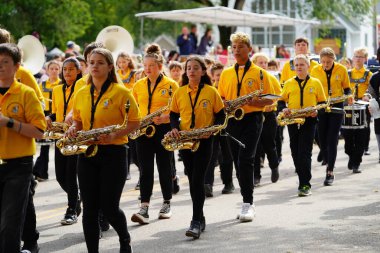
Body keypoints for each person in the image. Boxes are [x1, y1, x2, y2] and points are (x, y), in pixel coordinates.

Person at [67, 48, 140, 253]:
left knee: (109, 207)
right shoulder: (81, 92)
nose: (95, 66)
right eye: (91, 62)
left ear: (110, 67)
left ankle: (124, 239)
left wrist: (114, 135)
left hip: (114, 154)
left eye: (100, 62)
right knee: (89, 209)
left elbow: (135, 122)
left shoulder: (121, 92)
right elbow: (79, 121)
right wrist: (73, 129)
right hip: (88, 153)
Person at [166, 56, 225, 239]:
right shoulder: (180, 91)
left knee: (198, 179)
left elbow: (221, 116)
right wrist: (174, 128)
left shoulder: (211, 91)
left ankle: (195, 221)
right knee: (192, 179)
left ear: (202, 71)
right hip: (185, 141)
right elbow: (174, 115)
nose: (191, 70)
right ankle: (200, 215)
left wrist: (212, 131)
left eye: (195, 68)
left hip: (205, 140)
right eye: (189, 68)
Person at [218, 32, 274, 222]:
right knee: (237, 162)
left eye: (240, 46)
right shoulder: (226, 73)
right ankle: (246, 200)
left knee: (246, 159)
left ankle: (248, 203)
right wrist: (224, 104)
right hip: (233, 120)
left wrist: (256, 101)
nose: (236, 50)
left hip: (252, 119)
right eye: (233, 47)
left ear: (249, 49)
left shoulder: (260, 73)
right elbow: (222, 97)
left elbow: (271, 99)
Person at [0, 43, 46, 253]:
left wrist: (8, 122)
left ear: (17, 66)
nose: (0, 67)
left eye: (5, 62)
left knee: (10, 225)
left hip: (18, 165)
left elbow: (39, 131)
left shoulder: (26, 93)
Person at [131, 44, 178, 225]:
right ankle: (144, 206)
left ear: (160, 66)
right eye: (145, 66)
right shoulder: (138, 85)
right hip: (144, 130)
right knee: (145, 170)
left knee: (164, 167)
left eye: (151, 66)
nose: (147, 69)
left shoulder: (172, 85)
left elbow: (178, 110)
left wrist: (166, 117)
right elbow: (132, 108)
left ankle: (166, 202)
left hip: (163, 129)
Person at [278, 54, 327, 196]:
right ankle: (302, 178)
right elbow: (281, 101)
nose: (299, 67)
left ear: (308, 67)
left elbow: (323, 104)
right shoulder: (288, 83)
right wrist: (283, 108)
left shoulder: (316, 82)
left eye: (302, 64)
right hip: (292, 120)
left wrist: (316, 112)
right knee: (295, 152)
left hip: (309, 121)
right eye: (297, 65)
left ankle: (305, 184)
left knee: (305, 153)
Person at [48, 58, 83, 225]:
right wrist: (48, 117)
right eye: (65, 69)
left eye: (71, 69)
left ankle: (71, 209)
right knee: (60, 175)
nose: (67, 72)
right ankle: (76, 198)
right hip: (60, 136)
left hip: (75, 135)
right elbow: (55, 113)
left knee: (70, 174)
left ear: (78, 71)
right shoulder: (56, 90)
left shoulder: (83, 87)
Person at [310, 47, 352, 185]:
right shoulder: (315, 70)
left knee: (332, 138)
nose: (326, 64)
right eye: (323, 61)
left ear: (334, 59)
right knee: (321, 137)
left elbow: (347, 88)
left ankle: (330, 171)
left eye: (328, 61)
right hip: (321, 105)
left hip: (337, 104)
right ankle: (324, 151)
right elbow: (313, 88)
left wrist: (349, 96)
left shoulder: (341, 69)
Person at [204, 62, 235, 197]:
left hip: (227, 125)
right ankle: (207, 184)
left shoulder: (229, 88)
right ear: (212, 76)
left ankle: (228, 183)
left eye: (222, 75)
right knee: (210, 156)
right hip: (212, 125)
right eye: (217, 75)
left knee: (227, 156)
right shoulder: (210, 90)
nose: (220, 77)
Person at [251, 53, 281, 186]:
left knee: (269, 144)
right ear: (254, 63)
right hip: (254, 115)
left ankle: (274, 166)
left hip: (269, 115)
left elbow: (277, 96)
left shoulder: (272, 78)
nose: (263, 65)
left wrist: (269, 104)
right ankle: (256, 176)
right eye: (260, 62)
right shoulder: (251, 78)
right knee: (255, 147)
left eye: (265, 62)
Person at [343, 47, 372, 172]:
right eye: (355, 56)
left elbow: (372, 90)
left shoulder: (369, 75)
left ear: (365, 59)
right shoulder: (347, 73)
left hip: (363, 108)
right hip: (349, 107)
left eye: (360, 56)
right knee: (348, 137)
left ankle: (356, 163)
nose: (357, 59)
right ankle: (351, 155)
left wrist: (367, 95)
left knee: (361, 136)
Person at [33, 60, 62, 182]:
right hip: (45, 116)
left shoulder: (62, 84)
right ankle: (41, 172)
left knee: (60, 144)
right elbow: (37, 100)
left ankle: (63, 172)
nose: (54, 71)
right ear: (47, 70)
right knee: (44, 146)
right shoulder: (42, 84)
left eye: (56, 68)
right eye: (52, 69)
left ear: (59, 70)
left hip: (59, 116)